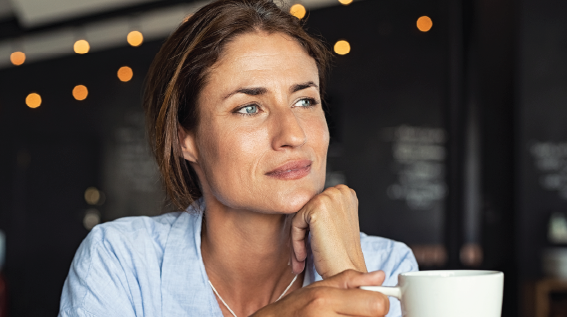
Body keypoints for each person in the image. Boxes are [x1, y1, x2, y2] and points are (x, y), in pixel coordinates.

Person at [59, 0, 418, 316]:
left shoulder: (389, 268)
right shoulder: (123, 261)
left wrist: (346, 274)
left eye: (305, 101)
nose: (293, 134)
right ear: (185, 139)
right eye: (249, 107)